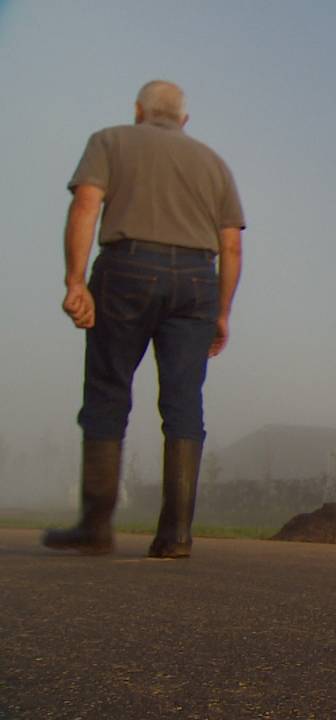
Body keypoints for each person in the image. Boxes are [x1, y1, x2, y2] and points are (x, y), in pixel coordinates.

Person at [43, 80, 244, 558]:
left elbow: (86, 204)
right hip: (197, 279)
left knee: (109, 390)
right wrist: (222, 312)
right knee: (182, 401)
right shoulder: (214, 163)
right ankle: (176, 535)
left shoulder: (110, 140)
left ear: (138, 111)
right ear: (184, 120)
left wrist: (75, 281)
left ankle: (95, 527)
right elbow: (232, 245)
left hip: (126, 269)